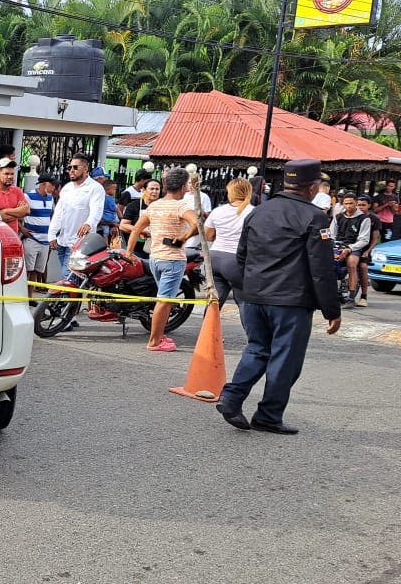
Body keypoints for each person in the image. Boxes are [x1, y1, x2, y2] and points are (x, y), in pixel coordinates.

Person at [216, 158, 341, 436]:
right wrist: (332, 310)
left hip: (254, 296)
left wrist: (251, 287)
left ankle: (231, 398)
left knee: (257, 349)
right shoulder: (315, 217)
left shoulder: (258, 212)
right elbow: (321, 269)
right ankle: (269, 416)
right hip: (290, 302)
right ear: (312, 187)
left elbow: (242, 255)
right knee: (286, 359)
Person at [123, 167, 197, 352]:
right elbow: (197, 223)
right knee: (164, 301)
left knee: (162, 300)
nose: (188, 188)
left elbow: (136, 228)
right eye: (187, 184)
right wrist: (184, 237)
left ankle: (158, 334)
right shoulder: (181, 206)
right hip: (173, 260)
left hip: (155, 258)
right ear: (182, 186)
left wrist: (129, 252)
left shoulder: (154, 206)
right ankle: (155, 341)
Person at [48, 155, 104, 280]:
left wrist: (89, 223)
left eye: (75, 167)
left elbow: (96, 211)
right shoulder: (67, 188)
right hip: (62, 241)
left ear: (85, 169)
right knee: (70, 278)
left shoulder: (95, 188)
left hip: (80, 244)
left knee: (69, 277)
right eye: (69, 167)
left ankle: (70, 299)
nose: (71, 170)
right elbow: (58, 213)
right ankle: (73, 300)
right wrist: (52, 234)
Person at [203, 178, 255, 308]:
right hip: (236, 260)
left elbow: (208, 236)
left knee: (214, 301)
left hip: (214, 258)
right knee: (244, 303)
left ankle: (207, 328)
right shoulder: (254, 212)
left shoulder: (218, 211)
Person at [330, 192, 371, 308]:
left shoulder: (364, 219)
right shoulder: (338, 217)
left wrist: (349, 248)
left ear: (356, 204)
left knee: (351, 263)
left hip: (355, 246)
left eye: (351, 203)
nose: (348, 206)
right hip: (338, 245)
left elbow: (364, 239)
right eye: (346, 203)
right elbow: (332, 234)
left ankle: (351, 297)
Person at [21, 174, 56, 289]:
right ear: (44, 184)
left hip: (45, 241)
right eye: (52, 185)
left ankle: (30, 298)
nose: (54, 188)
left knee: (37, 271)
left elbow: (52, 216)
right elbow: (17, 214)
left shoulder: (51, 198)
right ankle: (23, 296)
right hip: (32, 239)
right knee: (28, 271)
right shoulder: (28, 196)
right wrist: (22, 229)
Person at [119, 179, 161, 258]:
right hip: (136, 248)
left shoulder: (163, 206)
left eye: (157, 189)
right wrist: (141, 230)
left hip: (157, 248)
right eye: (152, 189)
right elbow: (123, 225)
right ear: (144, 190)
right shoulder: (134, 205)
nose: (155, 192)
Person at [0, 157, 29, 237]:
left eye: (12, 174)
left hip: (14, 238)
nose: (10, 176)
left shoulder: (17, 191)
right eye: (6, 174)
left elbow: (27, 211)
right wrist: (17, 213)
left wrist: (4, 211)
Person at [91, 168, 119, 241]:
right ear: (99, 179)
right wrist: (112, 224)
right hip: (95, 230)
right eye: (105, 177)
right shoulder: (95, 193)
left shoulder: (102, 193)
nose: (106, 179)